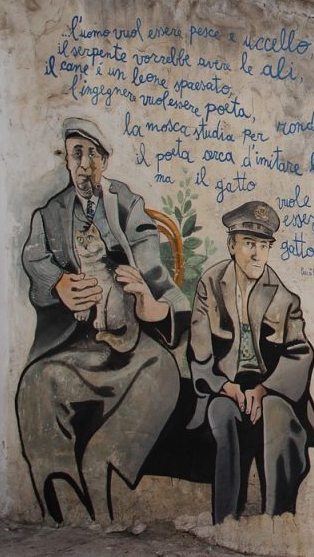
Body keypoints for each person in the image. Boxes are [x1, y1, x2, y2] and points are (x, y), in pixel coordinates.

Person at [18, 117, 189, 523]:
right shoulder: (50, 216)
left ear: (105, 162)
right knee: (36, 383)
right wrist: (58, 282)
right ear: (66, 160)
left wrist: (155, 307)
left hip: (132, 347)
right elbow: (33, 258)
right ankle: (61, 492)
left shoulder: (127, 207)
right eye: (76, 154)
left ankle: (103, 468)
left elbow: (156, 275)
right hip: (79, 348)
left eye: (93, 155)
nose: (84, 164)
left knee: (162, 370)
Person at [189, 200, 314, 523]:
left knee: (279, 417)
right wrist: (226, 388)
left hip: (272, 388)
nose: (256, 254)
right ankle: (225, 520)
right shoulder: (210, 285)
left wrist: (264, 390)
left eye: (263, 246)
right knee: (221, 413)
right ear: (232, 245)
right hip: (226, 387)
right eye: (249, 244)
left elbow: (302, 354)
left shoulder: (284, 297)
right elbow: (199, 351)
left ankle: (278, 520)